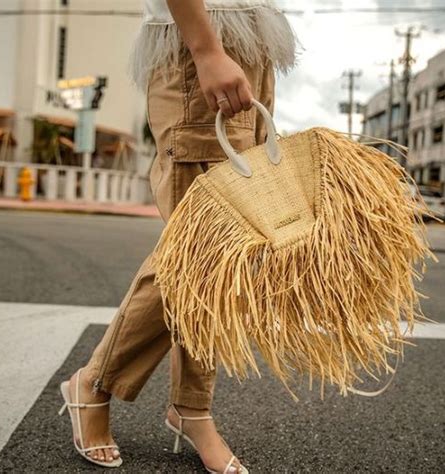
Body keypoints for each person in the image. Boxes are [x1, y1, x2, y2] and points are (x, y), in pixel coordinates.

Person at [58, 0, 300, 471]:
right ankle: (94, 382)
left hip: (252, 43)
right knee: (199, 251)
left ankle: (191, 407)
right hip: (205, 39)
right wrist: (207, 49)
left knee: (222, 256)